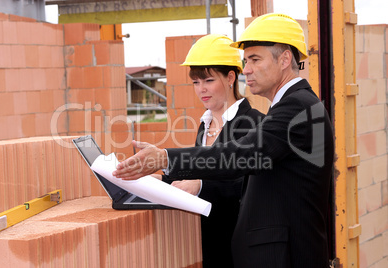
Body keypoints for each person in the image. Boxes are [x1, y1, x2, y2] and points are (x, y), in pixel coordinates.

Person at [113, 13, 334, 268]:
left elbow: (242, 155)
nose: (246, 70)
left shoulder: (298, 107)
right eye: (245, 61)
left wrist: (165, 158)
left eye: (254, 59)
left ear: (285, 58)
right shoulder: (293, 106)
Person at [157, 34, 264, 268]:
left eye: (208, 80)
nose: (201, 89)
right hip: (208, 241)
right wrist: (159, 176)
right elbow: (199, 170)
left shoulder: (254, 124)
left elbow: (249, 184)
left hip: (238, 245)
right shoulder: (205, 125)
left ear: (230, 77)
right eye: (196, 82)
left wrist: (201, 186)